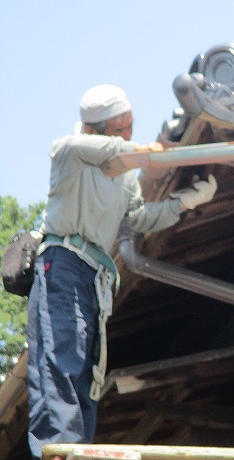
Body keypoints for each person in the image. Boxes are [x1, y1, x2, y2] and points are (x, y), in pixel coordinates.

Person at [26, 84, 218, 459]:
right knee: (60, 365)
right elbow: (115, 152)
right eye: (121, 128)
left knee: (87, 376)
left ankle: (78, 450)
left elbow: (138, 218)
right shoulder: (70, 151)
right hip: (62, 265)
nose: (130, 134)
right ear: (95, 130)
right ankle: (59, 453)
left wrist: (187, 201)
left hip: (96, 278)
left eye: (132, 125)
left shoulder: (125, 175)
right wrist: (156, 153)